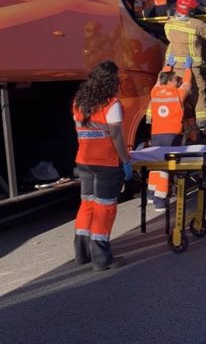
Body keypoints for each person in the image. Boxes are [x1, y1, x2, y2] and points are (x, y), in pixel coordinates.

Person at [72, 60, 133, 271]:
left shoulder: (79, 102)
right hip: (106, 162)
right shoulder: (111, 104)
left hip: (84, 160)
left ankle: (82, 253)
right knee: (104, 209)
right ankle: (101, 259)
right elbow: (116, 135)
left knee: (87, 204)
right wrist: (126, 161)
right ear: (111, 81)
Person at [147, 55, 192, 212]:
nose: (177, 82)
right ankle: (160, 200)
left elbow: (159, 81)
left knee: (155, 163)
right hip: (171, 135)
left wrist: (167, 66)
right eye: (175, 80)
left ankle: (151, 195)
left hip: (156, 134)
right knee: (166, 167)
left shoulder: (155, 92)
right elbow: (187, 84)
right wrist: (188, 69)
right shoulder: (177, 94)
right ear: (170, 82)